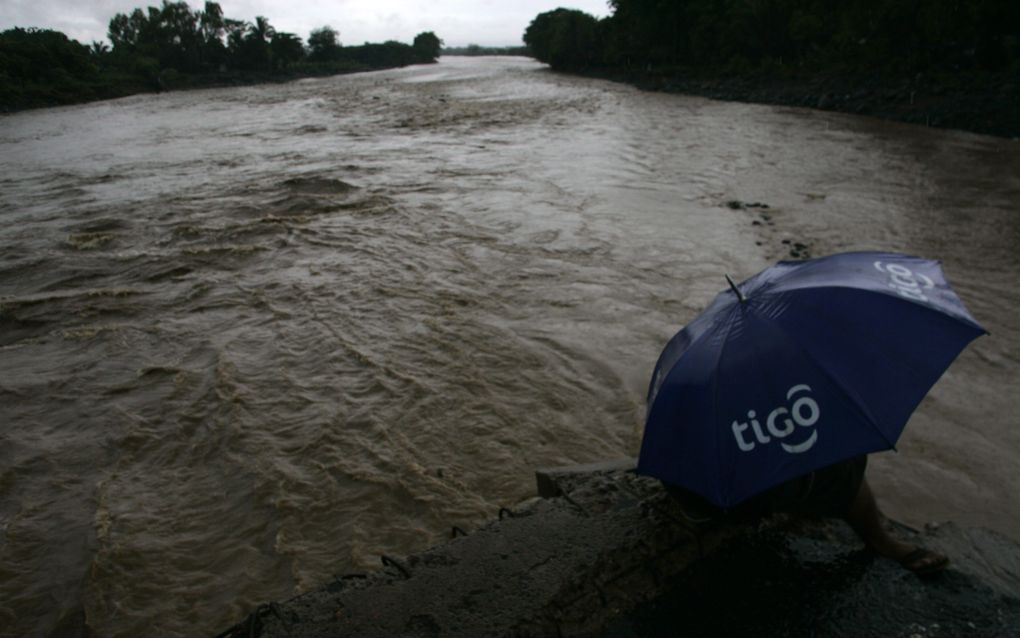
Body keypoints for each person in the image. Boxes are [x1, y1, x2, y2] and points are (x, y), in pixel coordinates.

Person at [665, 456, 950, 577]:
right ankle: (881, 540)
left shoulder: (692, 387)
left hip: (708, 497)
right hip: (735, 492)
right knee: (842, 463)